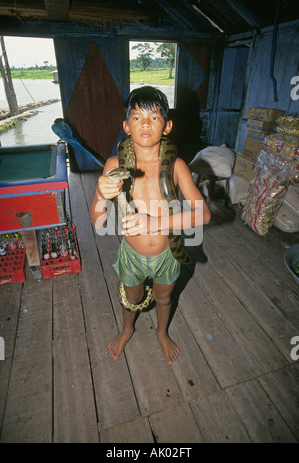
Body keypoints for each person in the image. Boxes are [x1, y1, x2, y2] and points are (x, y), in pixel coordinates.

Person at [90, 86, 211, 365]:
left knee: (164, 298)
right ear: (126, 126)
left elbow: (203, 215)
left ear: (167, 126)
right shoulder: (113, 164)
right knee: (131, 299)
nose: (145, 123)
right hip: (132, 253)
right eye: (137, 117)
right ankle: (127, 328)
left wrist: (154, 222)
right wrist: (100, 193)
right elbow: (98, 223)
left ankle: (161, 332)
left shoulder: (177, 166)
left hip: (167, 252)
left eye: (154, 117)